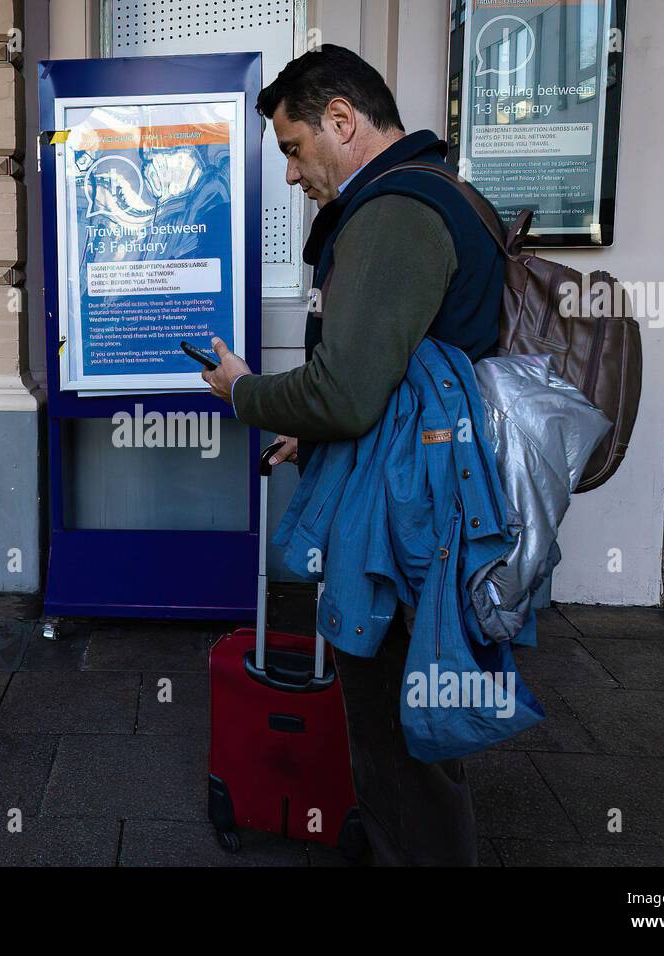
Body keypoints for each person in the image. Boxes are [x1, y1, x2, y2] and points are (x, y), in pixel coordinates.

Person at [202, 45, 505, 865]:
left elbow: (345, 391)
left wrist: (244, 392)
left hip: (412, 519)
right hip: (435, 495)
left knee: (400, 727)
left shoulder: (394, 213)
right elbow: (395, 374)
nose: (294, 175)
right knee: (418, 718)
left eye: (295, 148)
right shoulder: (447, 193)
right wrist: (322, 427)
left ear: (343, 120)